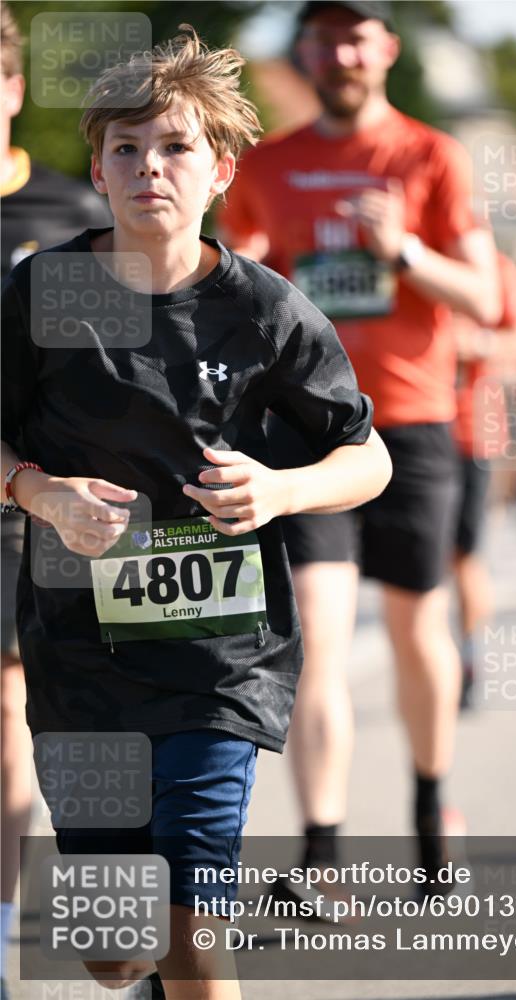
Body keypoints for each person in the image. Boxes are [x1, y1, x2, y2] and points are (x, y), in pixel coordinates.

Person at [1, 25, 391, 1000]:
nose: (149, 166)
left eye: (174, 146)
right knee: (115, 953)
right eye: (126, 148)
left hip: (220, 660)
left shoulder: (264, 309)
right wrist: (38, 492)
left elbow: (368, 457)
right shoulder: (44, 292)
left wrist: (283, 488)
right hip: (80, 660)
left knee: (190, 931)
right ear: (98, 169)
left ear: (220, 170)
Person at [220, 0, 501, 895]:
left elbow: (485, 298)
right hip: (303, 429)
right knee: (315, 635)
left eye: (354, 37)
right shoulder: (268, 164)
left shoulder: (431, 155)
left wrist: (401, 248)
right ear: (304, 52)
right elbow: (232, 276)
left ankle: (430, 810)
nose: (338, 54)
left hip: (411, 421)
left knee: (419, 629)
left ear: (385, 48)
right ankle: (322, 859)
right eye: (321, 38)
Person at [0, 7, 111, 998]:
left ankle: (0, 928)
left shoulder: (71, 216)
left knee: (9, 708)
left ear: (13, 88)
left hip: (24, 506)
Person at [451, 253, 516, 706]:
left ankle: (470, 660)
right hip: (399, 430)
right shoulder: (392, 251)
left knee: (464, 556)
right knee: (416, 565)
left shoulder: (494, 267)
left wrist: (477, 342)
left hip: (472, 432)